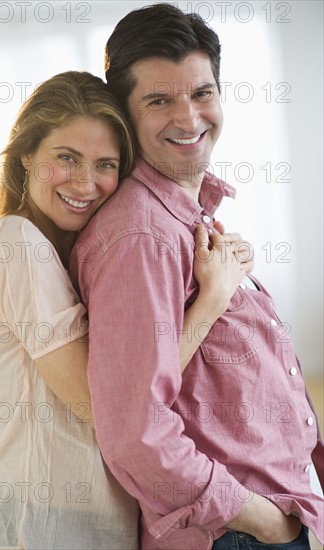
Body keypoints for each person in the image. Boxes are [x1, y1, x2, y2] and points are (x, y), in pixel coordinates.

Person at [71, 4, 324, 550]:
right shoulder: (141, 238)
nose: (189, 119)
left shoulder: (183, 214)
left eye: (202, 93)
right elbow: (136, 432)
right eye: (159, 101)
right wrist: (260, 521)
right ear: (124, 114)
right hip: (234, 533)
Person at [0, 70, 251, 549]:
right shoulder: (16, 244)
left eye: (105, 164)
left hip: (102, 520)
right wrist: (212, 301)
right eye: (66, 157)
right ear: (26, 156)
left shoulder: (71, 252)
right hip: (52, 524)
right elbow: (108, 406)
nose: (85, 181)